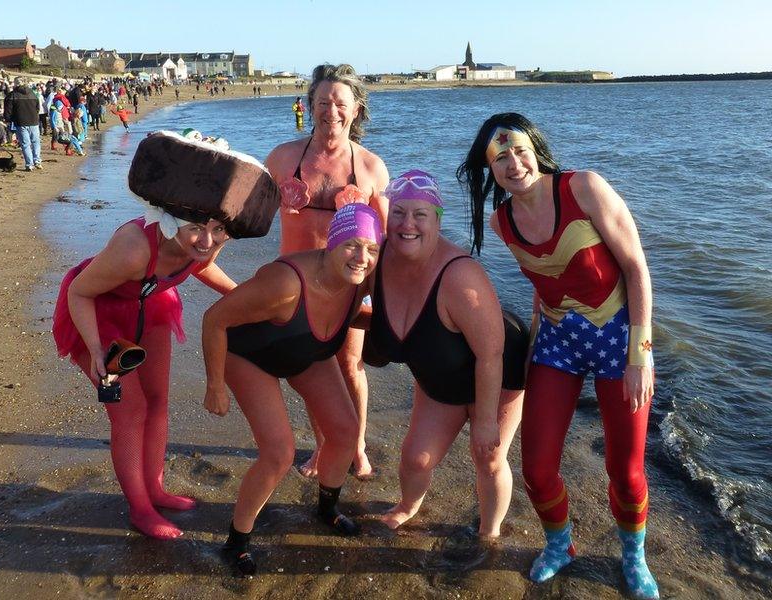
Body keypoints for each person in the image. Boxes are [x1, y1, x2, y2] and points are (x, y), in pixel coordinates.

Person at [457, 113, 659, 599]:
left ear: (537, 150)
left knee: (626, 472)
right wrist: (529, 356)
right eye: (499, 158)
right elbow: (542, 284)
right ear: (490, 171)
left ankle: (633, 556)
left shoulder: (584, 188)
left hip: (618, 340)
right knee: (537, 467)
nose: (513, 163)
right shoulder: (501, 221)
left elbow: (636, 269)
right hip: (556, 344)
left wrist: (641, 355)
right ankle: (560, 544)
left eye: (519, 151)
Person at [201, 204, 382, 575]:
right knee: (279, 453)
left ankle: (327, 510)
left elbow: (354, 313)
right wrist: (215, 385)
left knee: (346, 431)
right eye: (351, 244)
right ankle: (237, 542)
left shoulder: (361, 277)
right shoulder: (285, 282)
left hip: (305, 350)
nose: (362, 257)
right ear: (331, 243)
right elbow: (215, 319)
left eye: (372, 249)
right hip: (250, 355)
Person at [52, 185, 239, 540]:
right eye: (197, 227)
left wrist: (244, 296)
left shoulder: (207, 243)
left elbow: (200, 266)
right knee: (129, 410)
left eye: (218, 229)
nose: (207, 240)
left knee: (157, 401)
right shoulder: (134, 248)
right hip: (97, 318)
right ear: (171, 221)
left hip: (151, 308)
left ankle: (154, 489)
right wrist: (95, 352)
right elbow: (80, 291)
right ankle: (140, 509)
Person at [364, 170, 527, 538]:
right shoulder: (376, 258)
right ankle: (408, 506)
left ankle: (489, 532)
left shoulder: (459, 275)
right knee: (415, 459)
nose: (408, 224)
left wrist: (485, 420)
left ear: (437, 220)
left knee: (487, 458)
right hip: (439, 367)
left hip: (499, 370)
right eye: (399, 213)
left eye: (420, 215)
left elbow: (492, 353)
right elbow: (351, 305)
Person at [266, 64, 389, 481]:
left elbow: (385, 240)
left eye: (340, 103)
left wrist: (395, 296)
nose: (330, 111)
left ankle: (356, 447)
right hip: (295, 285)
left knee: (350, 366)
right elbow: (246, 211)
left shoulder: (371, 168)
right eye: (322, 102)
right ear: (309, 106)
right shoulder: (283, 158)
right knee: (312, 367)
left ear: (355, 110)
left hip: (350, 286)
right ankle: (324, 445)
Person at [3, 77, 42, 171]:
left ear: (16, 84)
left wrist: (8, 120)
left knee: (25, 144)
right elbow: (38, 107)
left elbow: (8, 110)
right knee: (35, 142)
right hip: (34, 121)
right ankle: (37, 161)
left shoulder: (12, 95)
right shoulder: (32, 93)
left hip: (20, 122)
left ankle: (29, 164)